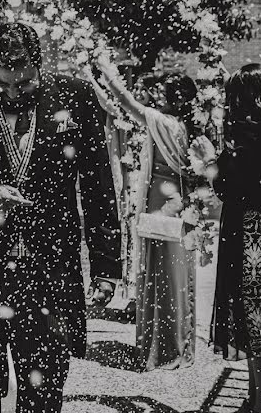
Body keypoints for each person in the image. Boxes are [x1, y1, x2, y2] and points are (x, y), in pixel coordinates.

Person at [0, 22, 121, 412]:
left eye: (24, 84)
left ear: (38, 65)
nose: (13, 93)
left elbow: (99, 186)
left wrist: (106, 265)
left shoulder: (77, 98)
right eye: (1, 84)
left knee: (44, 388)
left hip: (49, 270)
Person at [191, 64, 261, 413]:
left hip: (254, 234)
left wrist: (209, 163)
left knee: (258, 316)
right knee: (257, 314)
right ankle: (258, 399)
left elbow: (239, 188)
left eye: (233, 95)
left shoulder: (251, 135)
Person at [93, 64, 198, 371]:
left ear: (175, 97)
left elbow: (127, 103)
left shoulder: (162, 122)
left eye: (162, 89)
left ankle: (161, 348)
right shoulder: (189, 125)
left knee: (160, 275)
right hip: (180, 202)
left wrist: (107, 72)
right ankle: (179, 341)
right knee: (178, 278)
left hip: (160, 203)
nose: (156, 92)